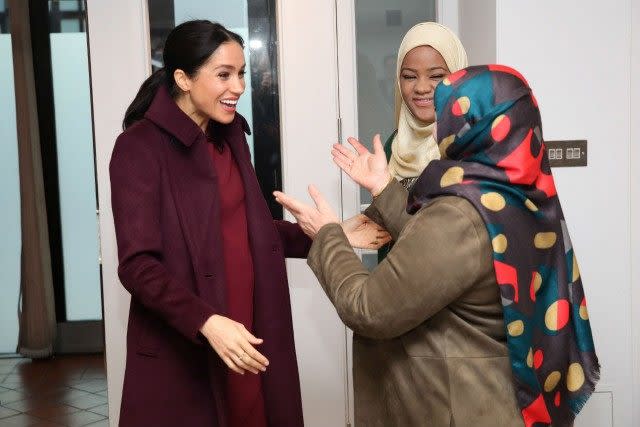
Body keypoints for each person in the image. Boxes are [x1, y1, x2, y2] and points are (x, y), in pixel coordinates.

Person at [275, 65, 599, 426]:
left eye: (448, 115)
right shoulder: (521, 194)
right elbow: (448, 259)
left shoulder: (462, 213)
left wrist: (327, 236)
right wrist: (384, 187)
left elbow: (368, 309)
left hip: (456, 408)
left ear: (471, 126)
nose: (440, 126)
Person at [110, 20, 386, 427]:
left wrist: (332, 234)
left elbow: (248, 231)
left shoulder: (230, 137)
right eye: (224, 75)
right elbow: (138, 266)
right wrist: (206, 321)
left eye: (241, 73)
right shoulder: (139, 148)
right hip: (190, 341)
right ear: (183, 78)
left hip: (249, 327)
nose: (239, 87)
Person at [368, 22, 468, 260]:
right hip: (393, 285)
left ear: (459, 76)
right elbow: (382, 228)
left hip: (452, 291)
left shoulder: (472, 146)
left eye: (436, 76)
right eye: (409, 76)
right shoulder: (393, 144)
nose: (421, 87)